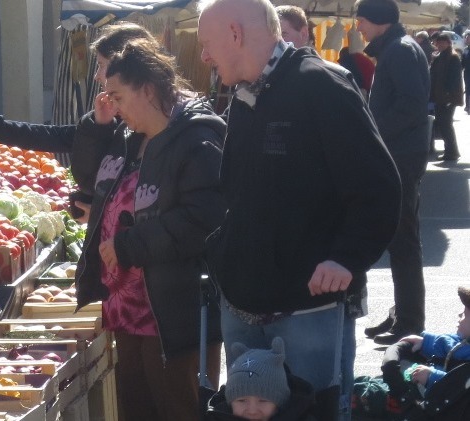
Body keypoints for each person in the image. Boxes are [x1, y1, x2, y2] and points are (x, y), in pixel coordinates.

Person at [197, 0, 401, 419]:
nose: (204, 56)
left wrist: (348, 256)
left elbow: (379, 187)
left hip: (305, 311)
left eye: (206, 43)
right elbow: (237, 191)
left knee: (312, 413)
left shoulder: (322, 85)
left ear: (235, 34)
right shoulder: (244, 93)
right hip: (242, 302)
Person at [73, 39, 227, 420]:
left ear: (148, 90)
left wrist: (129, 245)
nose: (115, 107)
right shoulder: (130, 138)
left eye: (118, 96)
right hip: (127, 310)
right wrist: (98, 127)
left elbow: (203, 218)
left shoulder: (198, 139)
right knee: (134, 409)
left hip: (173, 315)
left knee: (177, 408)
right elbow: (90, 177)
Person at [0, 22, 160, 222]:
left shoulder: (158, 128)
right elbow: (51, 137)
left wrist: (102, 214)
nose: (96, 76)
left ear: (126, 67)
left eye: (101, 65)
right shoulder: (107, 119)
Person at [353, 0, 433, 346]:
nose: (358, 27)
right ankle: (405, 314)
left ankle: (410, 320)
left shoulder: (400, 50)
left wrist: (374, 133)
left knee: (403, 241)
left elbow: (411, 106)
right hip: (401, 155)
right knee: (399, 241)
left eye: (361, 20)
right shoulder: (398, 48)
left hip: (401, 158)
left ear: (378, 20)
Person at [378, 286, 470, 420]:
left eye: (465, 314)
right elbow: (449, 344)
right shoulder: (463, 342)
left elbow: (459, 388)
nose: (459, 315)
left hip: (450, 408)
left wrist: (431, 377)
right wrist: (424, 342)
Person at [206, 338, 319, 421]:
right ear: (230, 403)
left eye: (263, 401)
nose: (252, 411)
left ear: (280, 403)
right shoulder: (218, 416)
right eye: (241, 400)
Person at [429, 32, 464, 161]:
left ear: (448, 43)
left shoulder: (452, 57)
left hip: (448, 98)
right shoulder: (440, 57)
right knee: (444, 124)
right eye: (438, 43)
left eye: (442, 43)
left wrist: (449, 95)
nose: (439, 45)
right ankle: (450, 151)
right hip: (440, 97)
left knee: (446, 124)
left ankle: (452, 152)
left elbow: (454, 79)